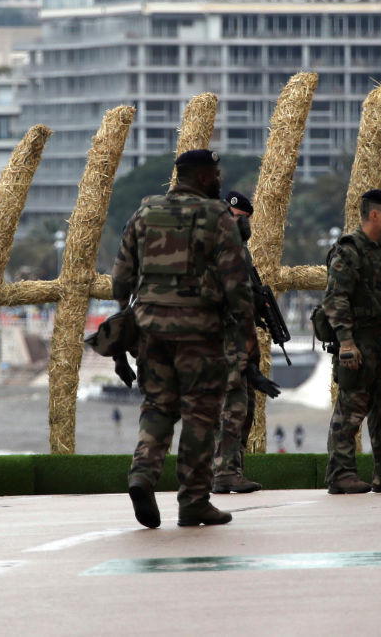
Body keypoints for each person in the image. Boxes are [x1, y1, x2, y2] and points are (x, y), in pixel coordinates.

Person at [112, 149, 255, 528]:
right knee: (200, 413)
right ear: (206, 177)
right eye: (217, 174)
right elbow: (236, 282)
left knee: (158, 407)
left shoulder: (144, 213)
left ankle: (142, 474)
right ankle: (193, 500)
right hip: (200, 334)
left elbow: (120, 279)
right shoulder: (217, 216)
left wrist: (128, 319)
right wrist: (245, 333)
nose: (220, 180)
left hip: (150, 330)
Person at [322, 189, 381, 495]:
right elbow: (335, 299)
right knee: (350, 411)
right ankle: (341, 474)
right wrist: (346, 343)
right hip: (356, 341)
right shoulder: (348, 251)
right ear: (374, 214)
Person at [212, 190, 281, 494]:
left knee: (245, 409)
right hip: (225, 343)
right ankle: (224, 471)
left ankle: (232, 469)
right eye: (239, 218)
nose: (244, 226)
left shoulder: (239, 250)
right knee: (233, 407)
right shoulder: (218, 248)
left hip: (240, 339)